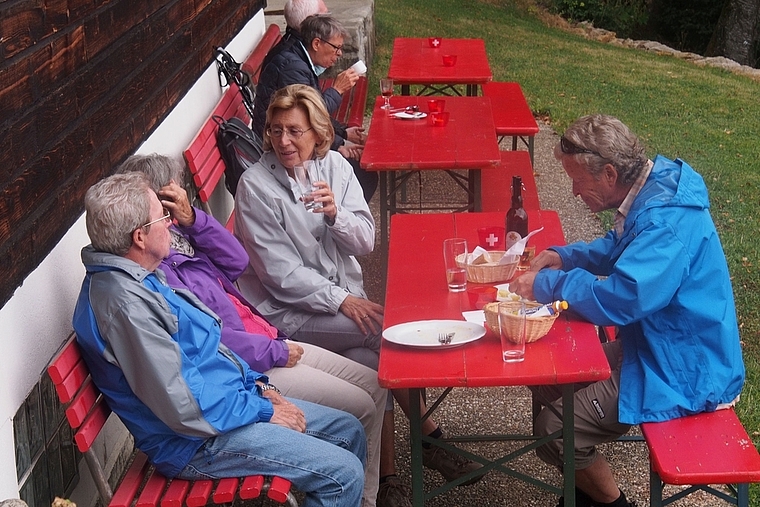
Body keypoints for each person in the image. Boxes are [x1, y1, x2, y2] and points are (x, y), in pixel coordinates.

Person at [235, 84, 482, 507]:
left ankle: (384, 483)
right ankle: (431, 438)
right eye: (276, 131)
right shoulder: (256, 186)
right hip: (286, 314)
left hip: (338, 301)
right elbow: (280, 276)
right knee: (385, 333)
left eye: (295, 131)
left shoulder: (334, 167)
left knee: (372, 364)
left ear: (317, 132)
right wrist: (341, 301)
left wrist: (336, 215)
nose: (284, 141)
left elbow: (366, 240)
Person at [72, 172, 366, 507]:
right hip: (196, 443)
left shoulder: (139, 276)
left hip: (226, 409)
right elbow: (182, 405)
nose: (170, 224)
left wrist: (261, 386)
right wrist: (261, 410)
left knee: (349, 429)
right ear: (139, 237)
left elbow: (210, 346)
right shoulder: (125, 306)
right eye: (163, 218)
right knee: (343, 476)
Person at [509, 114, 745, 507]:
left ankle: (613, 503)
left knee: (555, 429)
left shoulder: (665, 223)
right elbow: (618, 249)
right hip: (660, 347)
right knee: (551, 376)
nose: (572, 192)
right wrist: (563, 258)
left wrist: (546, 284)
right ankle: (583, 490)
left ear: (610, 173)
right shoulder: (654, 189)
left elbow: (623, 297)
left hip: (687, 371)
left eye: (577, 181)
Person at [253, 14, 378, 202]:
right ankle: (338, 218)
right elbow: (309, 114)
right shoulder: (293, 68)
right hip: (279, 145)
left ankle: (341, 217)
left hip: (294, 135)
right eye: (336, 47)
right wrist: (336, 90)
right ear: (317, 43)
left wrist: (343, 132)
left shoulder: (299, 59)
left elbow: (310, 114)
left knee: (361, 170)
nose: (339, 54)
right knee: (364, 174)